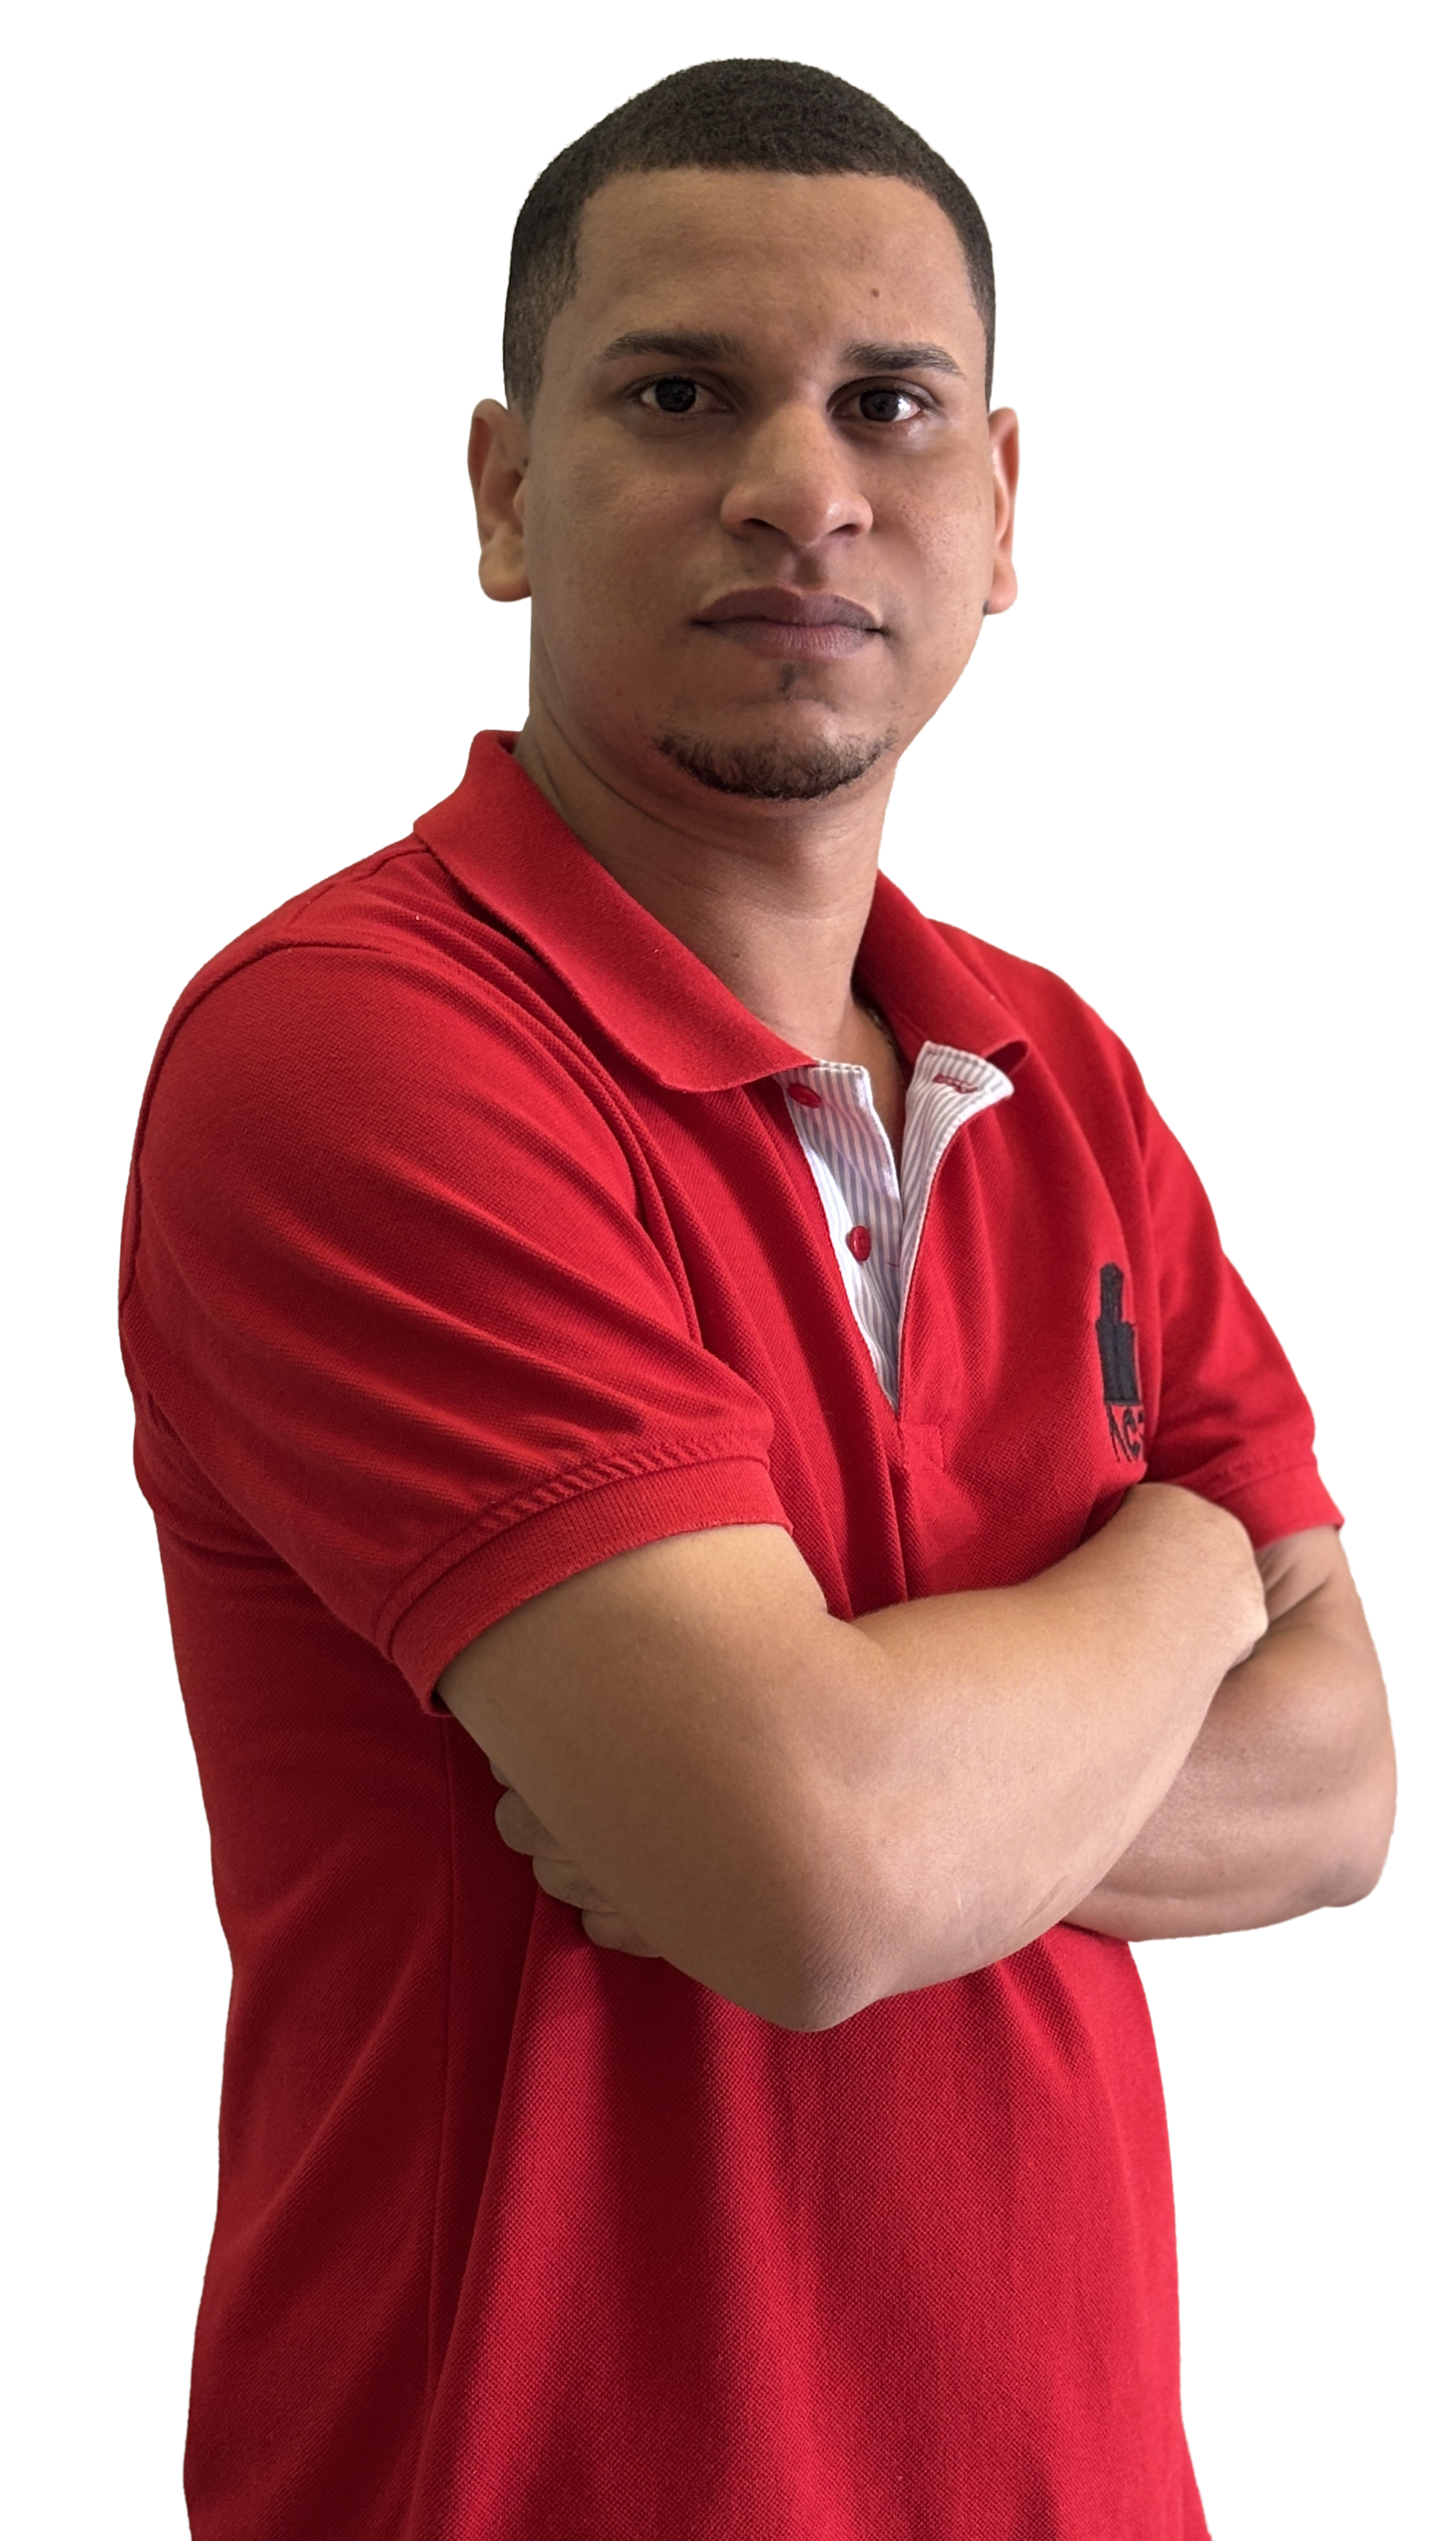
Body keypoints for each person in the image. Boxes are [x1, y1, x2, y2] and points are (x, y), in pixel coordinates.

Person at [119, 56, 1395, 2541]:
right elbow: (810, 1879)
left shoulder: (1060, 1076)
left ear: (996, 504)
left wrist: (906, 1807)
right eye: (683, 393)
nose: (804, 484)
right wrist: (1175, 1571)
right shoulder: (356, 1052)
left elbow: (1344, 1783)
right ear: (508, 491)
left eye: (888, 403)